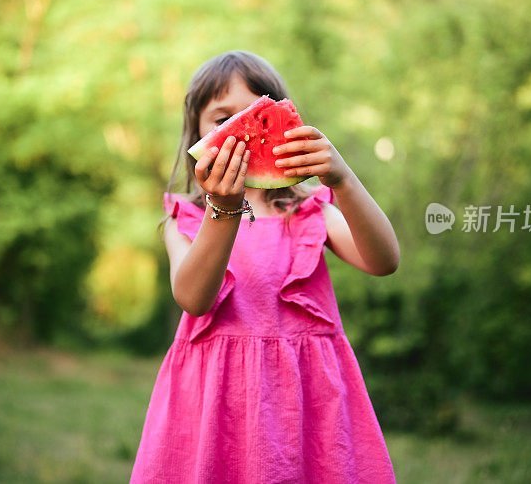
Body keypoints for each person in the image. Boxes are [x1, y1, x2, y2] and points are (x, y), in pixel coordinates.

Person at [130, 50, 400, 483]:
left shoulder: (311, 211)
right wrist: (223, 208)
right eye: (221, 120)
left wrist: (343, 180)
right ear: (194, 134)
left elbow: (384, 260)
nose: (240, 132)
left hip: (306, 404)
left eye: (258, 112)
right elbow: (193, 298)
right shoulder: (185, 217)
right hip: (214, 409)